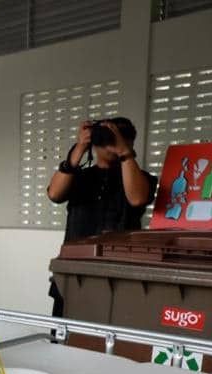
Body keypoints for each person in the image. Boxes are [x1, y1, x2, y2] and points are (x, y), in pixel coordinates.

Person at [46, 117, 158, 316]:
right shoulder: (79, 177)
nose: (111, 143)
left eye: (119, 137)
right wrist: (79, 147)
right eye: (106, 137)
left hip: (119, 275)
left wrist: (125, 153)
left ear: (130, 142)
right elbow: (54, 194)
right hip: (74, 272)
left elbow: (137, 198)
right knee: (66, 335)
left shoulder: (142, 178)